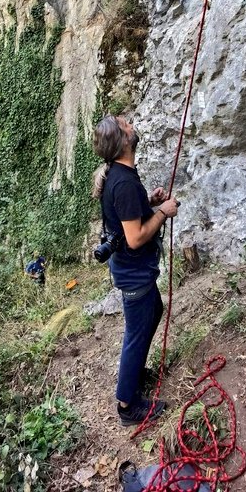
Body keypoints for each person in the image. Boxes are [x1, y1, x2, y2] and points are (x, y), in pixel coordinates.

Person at [92, 114, 179, 427]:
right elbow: (136, 236)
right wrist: (163, 213)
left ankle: (135, 375)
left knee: (153, 311)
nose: (130, 123)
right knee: (136, 332)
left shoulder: (121, 173)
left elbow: (129, 214)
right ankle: (128, 405)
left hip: (132, 268)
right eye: (125, 123)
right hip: (134, 272)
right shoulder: (123, 181)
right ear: (123, 140)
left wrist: (149, 202)